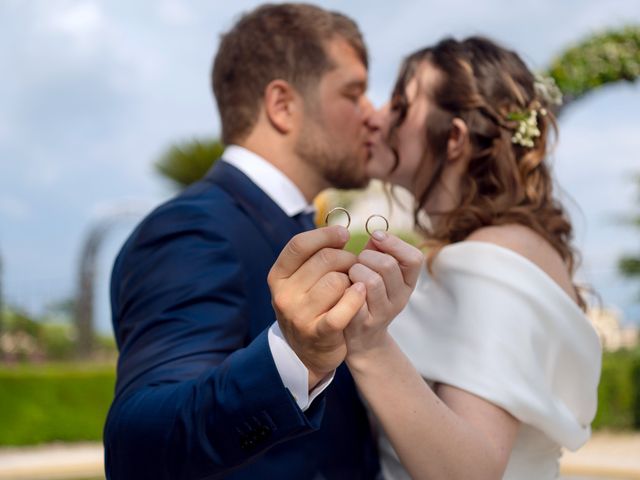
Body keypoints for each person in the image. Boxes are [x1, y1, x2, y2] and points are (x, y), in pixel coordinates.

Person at [103, 4, 424, 479]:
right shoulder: (194, 228)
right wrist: (293, 361)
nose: (372, 116)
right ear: (282, 105)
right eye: (353, 93)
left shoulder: (294, 226)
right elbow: (139, 446)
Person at [344, 37, 602, 479]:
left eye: (400, 107)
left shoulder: (490, 260)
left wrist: (367, 345)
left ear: (456, 138)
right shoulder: (505, 246)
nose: (376, 119)